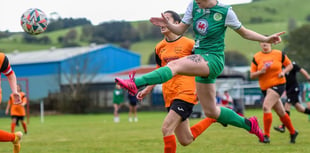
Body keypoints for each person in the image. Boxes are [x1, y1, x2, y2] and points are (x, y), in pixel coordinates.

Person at [115, 0, 286, 144]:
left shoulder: (225, 11)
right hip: (201, 60)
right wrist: (168, 24)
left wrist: (265, 38)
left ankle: (134, 82)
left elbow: (244, 32)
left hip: (213, 59)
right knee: (210, 112)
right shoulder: (193, 6)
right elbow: (180, 29)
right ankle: (249, 124)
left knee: (175, 66)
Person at [135, 10, 217, 153]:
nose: (162, 23)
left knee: (166, 128)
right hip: (169, 94)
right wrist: (148, 88)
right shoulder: (159, 47)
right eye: (161, 20)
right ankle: (213, 118)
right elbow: (158, 70)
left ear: (178, 24)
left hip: (186, 92)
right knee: (186, 140)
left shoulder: (190, 44)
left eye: (166, 19)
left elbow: (203, 66)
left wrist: (200, 89)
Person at [250, 40, 298, 144]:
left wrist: (283, 72)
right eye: (262, 43)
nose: (264, 45)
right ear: (260, 45)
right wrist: (260, 72)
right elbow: (252, 75)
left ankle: (266, 136)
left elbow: (290, 65)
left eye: (266, 43)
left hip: (278, 84)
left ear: (270, 43)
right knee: (281, 112)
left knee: (266, 107)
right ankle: (293, 132)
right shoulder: (257, 57)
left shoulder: (278, 54)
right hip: (265, 88)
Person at [274, 62, 310, 133]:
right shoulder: (279, 66)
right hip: (288, 90)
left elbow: (301, 70)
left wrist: (308, 77)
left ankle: (283, 126)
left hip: (294, 88)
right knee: (300, 109)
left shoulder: (292, 65)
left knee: (287, 106)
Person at [0, 52, 23, 153]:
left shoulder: (1, 58)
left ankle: (14, 138)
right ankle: (14, 138)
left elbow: (10, 74)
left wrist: (15, 92)